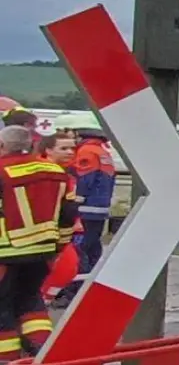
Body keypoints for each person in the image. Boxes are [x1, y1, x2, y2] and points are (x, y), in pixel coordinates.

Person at [0, 125, 74, 364]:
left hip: (6, 251)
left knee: (2, 306)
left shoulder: (2, 170)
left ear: (2, 146)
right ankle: (42, 350)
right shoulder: (56, 171)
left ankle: (6, 361)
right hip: (43, 251)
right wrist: (60, 244)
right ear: (32, 145)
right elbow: (69, 212)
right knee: (30, 299)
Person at [66, 126, 115, 293]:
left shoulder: (86, 152)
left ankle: (77, 289)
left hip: (86, 208)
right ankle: (92, 284)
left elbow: (85, 179)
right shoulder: (103, 153)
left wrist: (75, 201)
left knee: (80, 249)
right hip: (100, 207)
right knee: (94, 247)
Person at [36, 133, 82, 305]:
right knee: (66, 267)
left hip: (59, 233)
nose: (70, 152)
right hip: (44, 233)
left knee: (68, 267)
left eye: (72, 148)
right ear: (48, 150)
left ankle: (42, 301)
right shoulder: (43, 173)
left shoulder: (66, 173)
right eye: (64, 148)